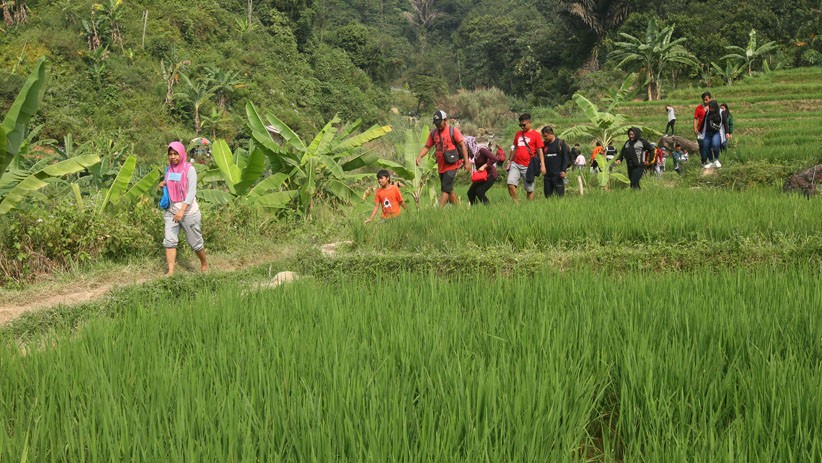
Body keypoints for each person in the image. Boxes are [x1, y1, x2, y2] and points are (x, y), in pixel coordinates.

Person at [160, 141, 207, 276]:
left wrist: (182, 211)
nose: (173, 157)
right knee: (169, 241)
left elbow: (191, 192)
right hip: (171, 211)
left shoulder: (189, 169)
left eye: (175, 154)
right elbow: (172, 182)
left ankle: (204, 263)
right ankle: (170, 272)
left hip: (188, 212)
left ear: (181, 154)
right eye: (170, 154)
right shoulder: (169, 169)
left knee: (195, 243)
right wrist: (164, 183)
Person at [416, 110, 470, 207]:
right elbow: (427, 147)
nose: (438, 125)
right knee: (449, 189)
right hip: (441, 166)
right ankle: (458, 209)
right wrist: (420, 156)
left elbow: (463, 146)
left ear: (445, 120)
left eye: (439, 123)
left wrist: (467, 162)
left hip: (452, 164)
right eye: (436, 124)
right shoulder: (433, 133)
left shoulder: (453, 131)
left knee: (445, 189)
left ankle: (439, 211)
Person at [505, 113, 544, 202]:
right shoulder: (518, 134)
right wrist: (510, 161)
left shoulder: (536, 135)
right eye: (520, 125)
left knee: (529, 189)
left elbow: (539, 150)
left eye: (524, 125)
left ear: (529, 122)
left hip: (529, 165)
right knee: (510, 183)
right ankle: (516, 204)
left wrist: (543, 164)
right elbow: (515, 148)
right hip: (516, 164)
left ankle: (529, 206)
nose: (522, 127)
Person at [540, 126, 569, 197]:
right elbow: (541, 157)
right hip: (547, 176)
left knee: (559, 197)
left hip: (558, 175)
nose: (544, 138)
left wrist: (563, 171)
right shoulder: (544, 145)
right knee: (547, 196)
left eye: (546, 136)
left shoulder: (561, 143)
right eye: (543, 136)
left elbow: (565, 158)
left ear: (551, 134)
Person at [700, 100, 725, 168]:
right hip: (708, 132)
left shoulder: (720, 112)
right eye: (710, 107)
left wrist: (728, 132)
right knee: (706, 145)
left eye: (712, 108)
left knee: (715, 144)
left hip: (716, 132)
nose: (711, 109)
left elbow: (725, 122)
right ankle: (711, 161)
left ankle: (716, 159)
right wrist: (700, 130)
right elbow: (704, 121)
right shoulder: (708, 112)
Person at [694, 91, 712, 167]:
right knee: (701, 146)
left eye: (706, 100)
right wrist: (695, 128)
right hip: (700, 131)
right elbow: (695, 118)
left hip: (710, 131)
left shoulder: (713, 108)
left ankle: (711, 161)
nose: (705, 101)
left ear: (710, 99)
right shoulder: (699, 108)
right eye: (704, 100)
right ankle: (704, 161)